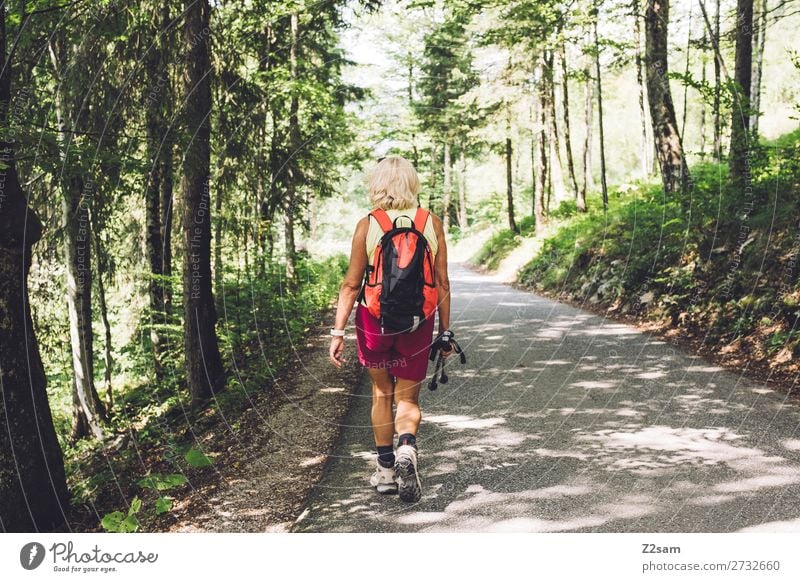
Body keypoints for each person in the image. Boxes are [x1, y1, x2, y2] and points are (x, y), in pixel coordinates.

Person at [329, 155, 452, 503]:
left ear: (377, 184)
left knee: (382, 394)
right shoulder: (431, 223)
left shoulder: (368, 224)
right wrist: (446, 331)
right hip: (417, 322)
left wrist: (338, 333)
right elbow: (442, 283)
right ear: (412, 183)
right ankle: (407, 448)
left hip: (374, 322)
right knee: (408, 398)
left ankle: (385, 473)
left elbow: (352, 285)